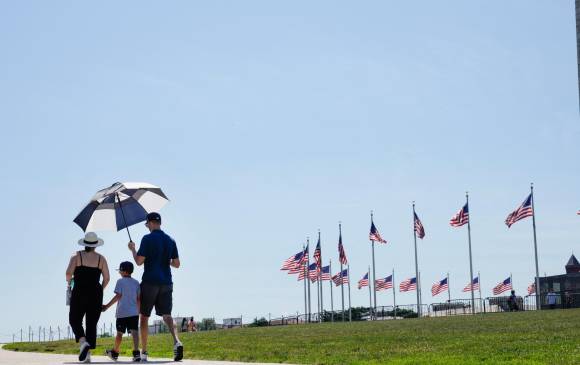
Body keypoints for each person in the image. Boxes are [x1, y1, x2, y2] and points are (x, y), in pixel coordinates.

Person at [128, 212, 183, 362]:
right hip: (166, 282)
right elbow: (177, 264)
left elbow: (139, 262)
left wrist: (133, 249)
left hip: (150, 282)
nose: (147, 227)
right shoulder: (170, 240)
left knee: (144, 317)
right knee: (167, 315)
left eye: (146, 224)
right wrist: (166, 261)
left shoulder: (147, 239)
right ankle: (177, 341)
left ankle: (144, 351)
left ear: (151, 223)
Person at [66, 232, 110, 363]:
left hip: (79, 290)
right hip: (96, 292)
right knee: (91, 323)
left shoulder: (76, 256)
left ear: (84, 244)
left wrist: (71, 281)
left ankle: (83, 342)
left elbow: (68, 274)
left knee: (74, 319)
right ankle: (87, 354)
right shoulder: (101, 259)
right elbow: (107, 278)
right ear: (96, 245)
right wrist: (100, 290)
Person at [102, 261, 141, 362]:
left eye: (120, 270)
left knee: (119, 333)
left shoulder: (120, 281)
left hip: (122, 313)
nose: (119, 272)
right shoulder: (136, 283)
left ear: (124, 271)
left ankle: (115, 352)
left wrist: (106, 306)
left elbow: (118, 296)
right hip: (134, 312)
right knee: (135, 333)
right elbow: (138, 299)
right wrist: (139, 311)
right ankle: (136, 353)